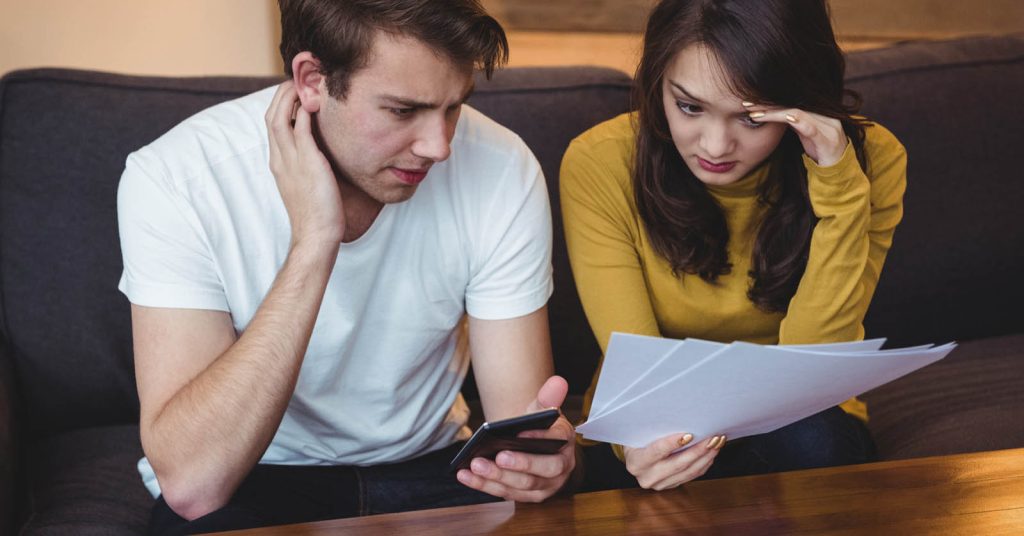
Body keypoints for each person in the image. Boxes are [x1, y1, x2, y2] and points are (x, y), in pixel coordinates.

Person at [117, 1, 576, 533]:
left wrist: (538, 465)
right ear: (312, 80)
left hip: (434, 469)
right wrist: (315, 241)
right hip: (257, 475)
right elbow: (195, 485)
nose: (440, 147)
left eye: (454, 107)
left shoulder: (501, 166)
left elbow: (517, 419)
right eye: (403, 110)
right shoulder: (178, 179)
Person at [560, 0, 906, 492]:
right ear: (656, 83)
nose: (715, 147)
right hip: (656, 417)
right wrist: (641, 443)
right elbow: (635, 363)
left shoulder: (871, 162)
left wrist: (839, 187)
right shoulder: (600, 162)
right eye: (689, 107)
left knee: (812, 440)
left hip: (801, 419)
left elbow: (809, 373)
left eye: (752, 119)